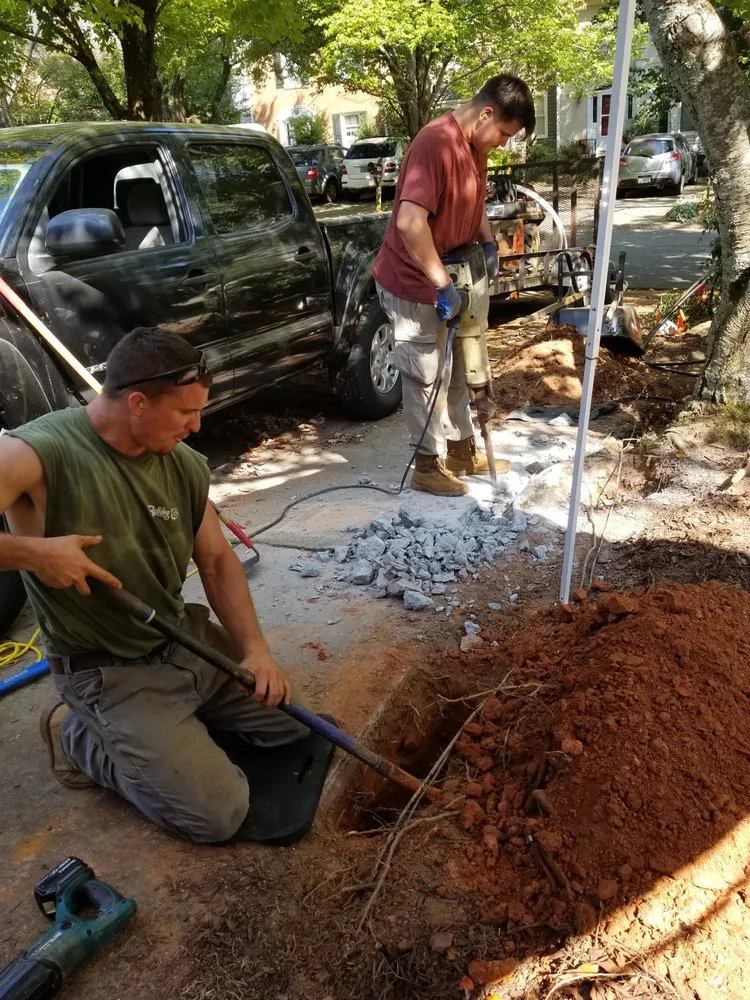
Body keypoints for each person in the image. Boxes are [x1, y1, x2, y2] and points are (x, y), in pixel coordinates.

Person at [0, 328, 310, 844]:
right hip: (108, 671)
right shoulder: (36, 452)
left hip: (179, 643)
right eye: (186, 413)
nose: (197, 425)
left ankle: (168, 728)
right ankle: (83, 737)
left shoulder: (184, 466)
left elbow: (216, 560)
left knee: (291, 724)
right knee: (217, 815)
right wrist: (34, 553)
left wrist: (256, 650)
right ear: (138, 402)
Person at [373, 74, 536, 497]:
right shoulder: (435, 143)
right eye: (504, 132)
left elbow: (473, 199)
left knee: (464, 362)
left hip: (454, 272)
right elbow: (410, 223)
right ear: (485, 114)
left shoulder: (475, 146)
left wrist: (487, 242)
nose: (503, 143)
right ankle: (427, 466)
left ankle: (463, 450)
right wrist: (442, 284)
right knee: (427, 374)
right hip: (414, 281)